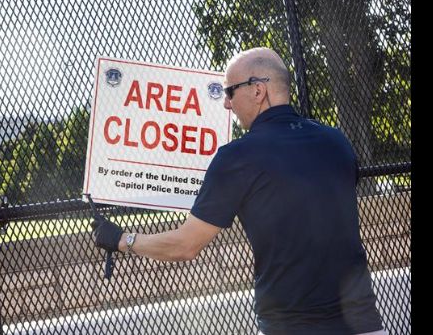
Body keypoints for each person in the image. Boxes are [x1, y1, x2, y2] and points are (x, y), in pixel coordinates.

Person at [91, 47, 387, 335]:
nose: (226, 104)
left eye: (229, 91)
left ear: (258, 90)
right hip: (365, 325)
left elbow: (184, 245)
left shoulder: (237, 157)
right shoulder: (337, 142)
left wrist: (121, 240)